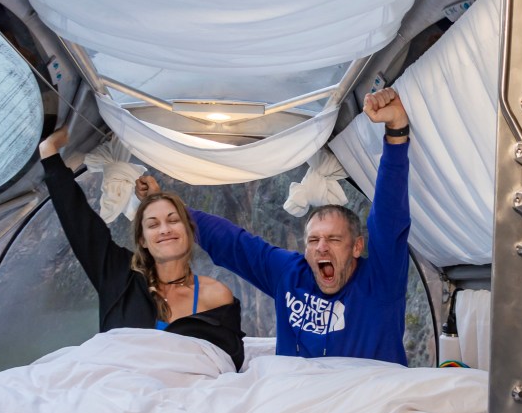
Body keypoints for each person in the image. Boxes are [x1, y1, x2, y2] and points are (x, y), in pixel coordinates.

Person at [137, 87, 411, 365]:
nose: (321, 247)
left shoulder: (380, 280)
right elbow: (232, 243)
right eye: (313, 240)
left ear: (357, 247)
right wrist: (168, 209)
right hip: (297, 389)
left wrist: (396, 132)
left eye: (334, 239)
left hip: (365, 389)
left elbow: (389, 218)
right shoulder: (291, 274)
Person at [39, 127, 245, 370]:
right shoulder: (119, 278)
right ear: (143, 239)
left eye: (173, 220)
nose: (164, 229)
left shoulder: (216, 295)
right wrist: (49, 153)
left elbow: (227, 364)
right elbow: (80, 223)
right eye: (153, 224)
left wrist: (156, 199)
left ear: (189, 231)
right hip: (119, 387)